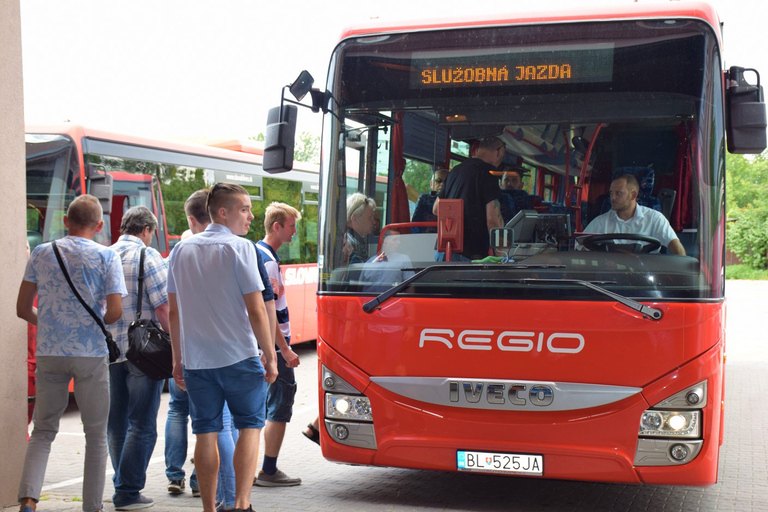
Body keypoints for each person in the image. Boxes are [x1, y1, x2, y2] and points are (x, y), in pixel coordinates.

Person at [167, 182, 277, 512]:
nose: (250, 215)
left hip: (198, 362)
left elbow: (174, 311)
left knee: (206, 433)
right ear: (223, 212)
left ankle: (209, 509)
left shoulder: (180, 251)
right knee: (249, 428)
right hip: (239, 357)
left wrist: (178, 360)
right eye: (244, 209)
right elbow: (257, 308)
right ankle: (241, 504)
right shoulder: (242, 248)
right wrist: (270, 356)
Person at [16, 194, 127, 512]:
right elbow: (116, 312)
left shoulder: (41, 252)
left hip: (50, 352)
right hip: (90, 353)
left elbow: (23, 308)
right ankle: (92, 507)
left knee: (43, 430)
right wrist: (90, 324)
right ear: (100, 225)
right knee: (95, 434)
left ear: (65, 221)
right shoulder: (107, 257)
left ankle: (28, 499)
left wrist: (51, 325)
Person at [108, 206, 169, 510]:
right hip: (143, 352)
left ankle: (121, 484)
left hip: (109, 351)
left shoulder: (106, 254)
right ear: (147, 230)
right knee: (142, 423)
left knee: (115, 421)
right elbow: (163, 307)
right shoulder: (149, 256)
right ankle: (128, 491)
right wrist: (176, 343)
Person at [255, 202, 303, 487]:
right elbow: (266, 309)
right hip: (274, 347)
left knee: (261, 405)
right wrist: (283, 349)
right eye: (291, 226)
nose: (295, 231)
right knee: (281, 404)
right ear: (277, 227)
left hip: (263, 346)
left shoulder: (257, 252)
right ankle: (269, 470)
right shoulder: (269, 261)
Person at [433, 136, 505, 260]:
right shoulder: (489, 173)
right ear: (499, 152)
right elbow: (492, 218)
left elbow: (436, 209)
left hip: (444, 247)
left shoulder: (455, 170)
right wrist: (502, 253)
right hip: (470, 251)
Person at [581, 174, 686, 255]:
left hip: (646, 278)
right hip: (610, 279)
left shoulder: (655, 219)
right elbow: (581, 251)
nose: (612, 198)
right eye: (611, 193)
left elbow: (677, 248)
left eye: (618, 193)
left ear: (633, 195)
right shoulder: (600, 222)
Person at [411, 168, 449, 232]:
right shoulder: (424, 199)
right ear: (431, 184)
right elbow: (415, 224)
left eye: (446, 182)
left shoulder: (452, 200)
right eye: (438, 181)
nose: (442, 184)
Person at [346, 193, 377, 265]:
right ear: (354, 219)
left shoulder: (354, 240)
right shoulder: (348, 244)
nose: (374, 222)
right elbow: (357, 274)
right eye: (370, 217)